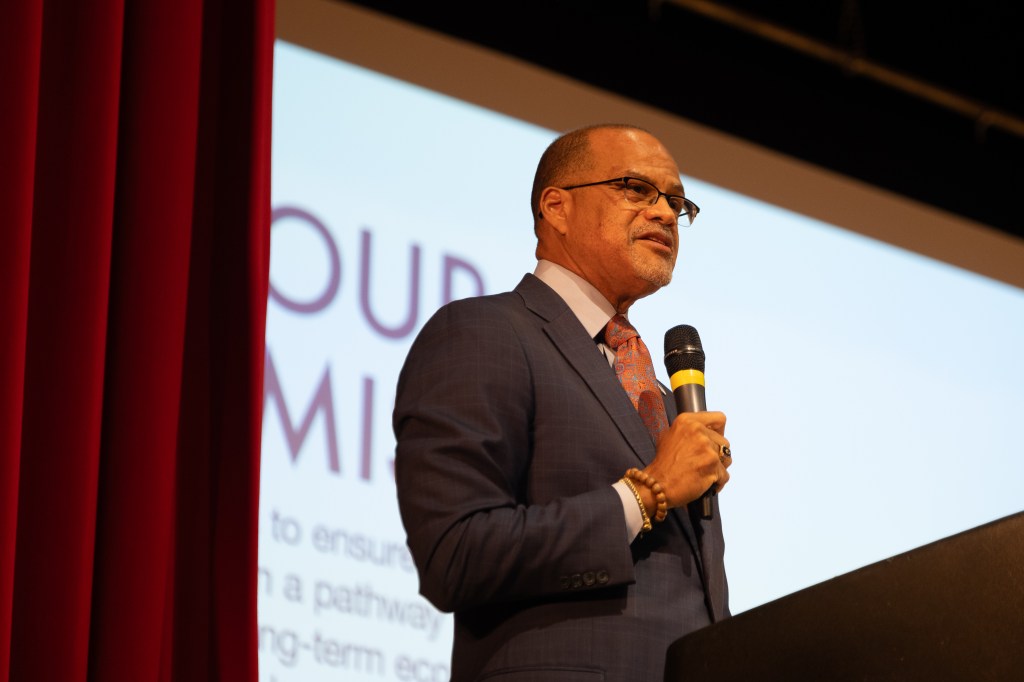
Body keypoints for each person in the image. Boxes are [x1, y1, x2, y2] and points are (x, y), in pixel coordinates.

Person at [393, 123, 732, 681]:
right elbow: (455, 554)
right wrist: (647, 494)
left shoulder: (661, 395)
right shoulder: (485, 332)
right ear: (557, 207)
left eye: (676, 202)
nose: (666, 214)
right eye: (635, 188)